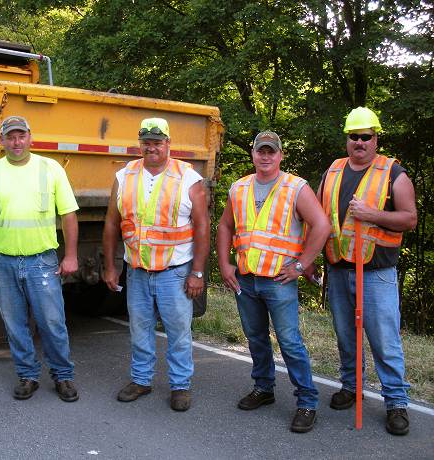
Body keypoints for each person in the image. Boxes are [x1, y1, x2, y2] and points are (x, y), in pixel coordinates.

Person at [216, 130, 330, 433]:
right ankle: (263, 388)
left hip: (279, 280)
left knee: (290, 343)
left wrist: (302, 264)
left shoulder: (296, 187)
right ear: (253, 154)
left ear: (280, 155)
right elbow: (225, 225)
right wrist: (224, 263)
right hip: (246, 279)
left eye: (271, 152)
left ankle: (307, 402)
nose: (265, 157)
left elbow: (322, 225)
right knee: (255, 338)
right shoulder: (239, 187)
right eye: (260, 151)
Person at [317, 107, 417, 435]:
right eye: (353, 136)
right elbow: (319, 219)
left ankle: (396, 402)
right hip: (338, 268)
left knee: (385, 340)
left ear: (376, 138)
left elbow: (409, 218)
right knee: (346, 337)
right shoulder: (332, 171)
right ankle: (352, 387)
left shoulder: (394, 173)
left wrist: (372, 214)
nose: (359, 142)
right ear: (346, 138)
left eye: (366, 136)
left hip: (375, 273)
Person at [103, 117, 209, 412]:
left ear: (168, 144)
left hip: (175, 274)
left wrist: (197, 272)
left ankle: (180, 386)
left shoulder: (189, 178)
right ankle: (141, 380)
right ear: (140, 144)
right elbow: (112, 223)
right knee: (139, 330)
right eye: (146, 142)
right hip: (136, 271)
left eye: (157, 142)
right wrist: (110, 266)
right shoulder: (124, 176)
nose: (151, 148)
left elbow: (202, 228)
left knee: (178, 333)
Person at [0, 116, 79, 403]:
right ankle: (27, 375)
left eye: (21, 136)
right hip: (3, 262)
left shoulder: (51, 169)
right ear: (2, 141)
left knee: (52, 322)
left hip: (41, 261)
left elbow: (68, 214)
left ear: (30, 137)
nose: (16, 142)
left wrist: (71, 255)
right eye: (10, 137)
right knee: (15, 324)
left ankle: (63, 376)